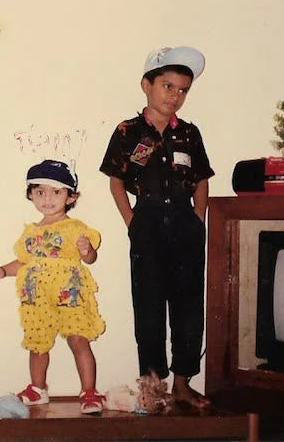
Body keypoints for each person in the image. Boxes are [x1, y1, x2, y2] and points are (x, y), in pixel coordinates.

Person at [99, 46, 214, 408]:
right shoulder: (127, 132)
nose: (175, 96)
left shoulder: (190, 134)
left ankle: (182, 383)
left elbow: (201, 180)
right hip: (147, 224)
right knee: (149, 309)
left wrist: (198, 219)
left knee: (188, 307)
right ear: (146, 85)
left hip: (185, 226)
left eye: (182, 90)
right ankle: (153, 386)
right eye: (167, 86)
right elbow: (116, 181)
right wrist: (133, 223)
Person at [0, 159, 106, 415]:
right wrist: (3, 270)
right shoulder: (30, 232)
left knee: (78, 338)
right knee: (37, 343)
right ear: (31, 195)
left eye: (56, 192)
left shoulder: (75, 228)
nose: (48, 198)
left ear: (71, 196)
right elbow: (23, 262)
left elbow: (90, 257)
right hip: (37, 297)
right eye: (40, 192)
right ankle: (37, 388)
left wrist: (87, 251)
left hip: (69, 294)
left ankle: (89, 391)